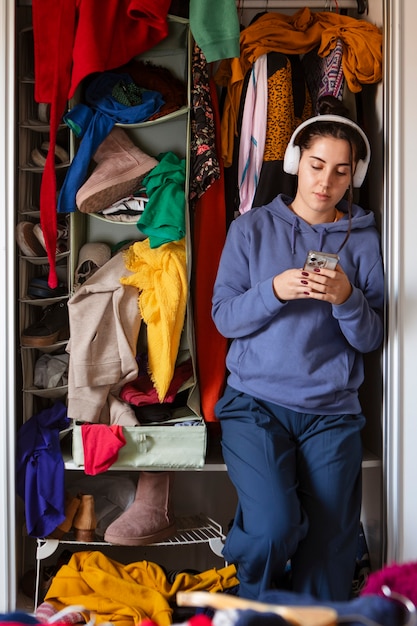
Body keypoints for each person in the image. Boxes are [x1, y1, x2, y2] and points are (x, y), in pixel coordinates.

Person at [211, 97, 384, 602]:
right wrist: (275, 290)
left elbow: (371, 339)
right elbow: (224, 317)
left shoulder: (367, 244)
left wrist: (347, 300)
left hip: (332, 414)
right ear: (293, 162)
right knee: (272, 529)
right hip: (254, 405)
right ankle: (250, 602)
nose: (325, 182)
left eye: (340, 171)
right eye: (315, 165)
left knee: (331, 552)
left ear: (355, 176)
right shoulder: (250, 229)